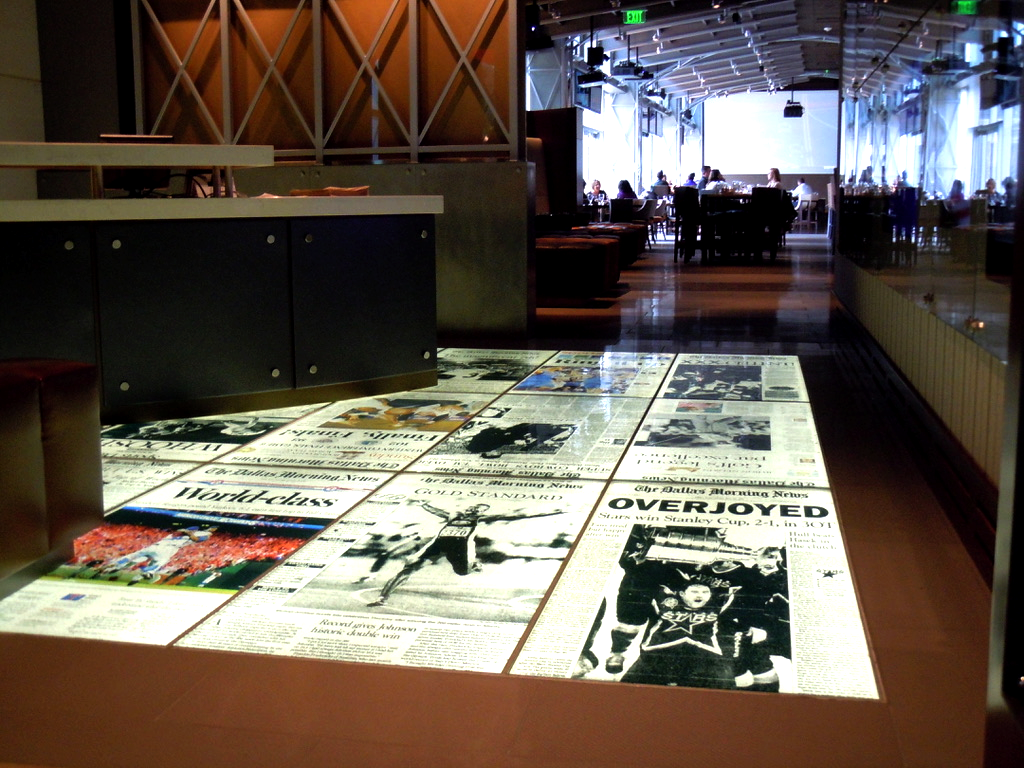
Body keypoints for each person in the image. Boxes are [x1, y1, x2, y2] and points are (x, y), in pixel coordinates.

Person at [367, 500, 565, 606]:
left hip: (461, 549)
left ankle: (475, 564)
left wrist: (553, 512)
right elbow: (436, 511)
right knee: (408, 570)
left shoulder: (481, 519)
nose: (473, 509)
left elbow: (515, 516)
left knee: (462, 572)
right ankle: (382, 598)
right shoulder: (454, 516)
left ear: (481, 512)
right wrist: (423, 504)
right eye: (473, 507)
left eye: (478, 509)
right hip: (438, 545)